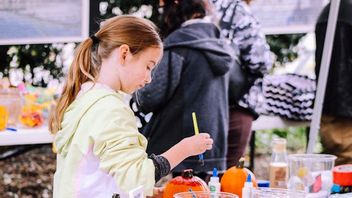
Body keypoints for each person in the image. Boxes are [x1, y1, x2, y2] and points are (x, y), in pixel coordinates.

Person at [48, 15, 213, 198]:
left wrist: (148, 191)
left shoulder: (86, 98)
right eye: (148, 66)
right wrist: (185, 148)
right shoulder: (110, 109)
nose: (149, 78)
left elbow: (103, 171)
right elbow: (136, 176)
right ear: (124, 54)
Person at [133, 0, 234, 176]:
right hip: (213, 145)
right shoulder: (221, 45)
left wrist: (135, 94)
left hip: (177, 149)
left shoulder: (179, 44)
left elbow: (151, 96)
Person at [210, 0, 272, 168]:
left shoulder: (190, 7)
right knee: (227, 177)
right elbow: (260, 61)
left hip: (198, 107)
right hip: (234, 105)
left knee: (192, 179)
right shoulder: (237, 9)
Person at [315, 0, 352, 165]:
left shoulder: (334, 12)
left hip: (335, 108)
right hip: (342, 112)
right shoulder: (344, 13)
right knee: (345, 166)